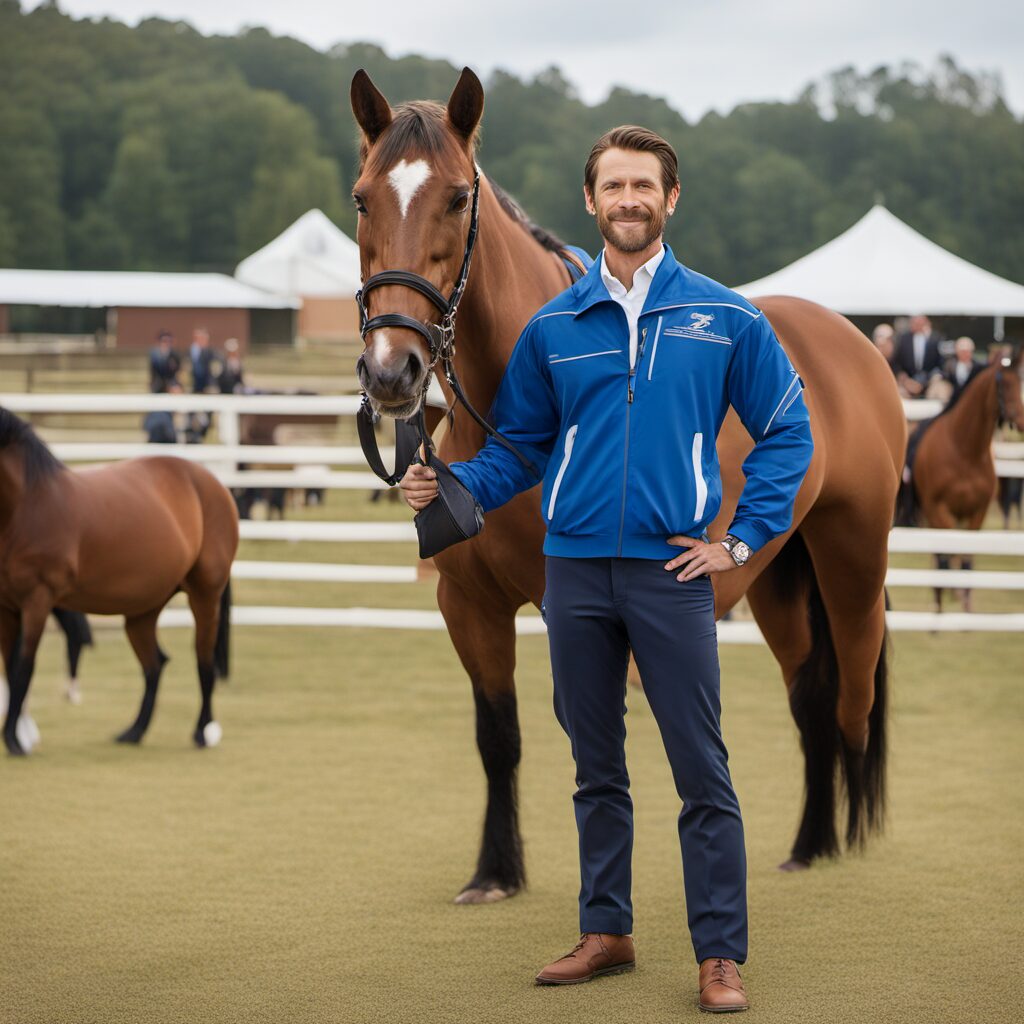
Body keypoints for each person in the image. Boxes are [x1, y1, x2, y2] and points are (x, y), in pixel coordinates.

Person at [401, 125, 814, 1014]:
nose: (629, 199)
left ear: (671, 199)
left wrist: (741, 541)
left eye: (644, 185)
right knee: (595, 767)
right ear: (589, 201)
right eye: (614, 186)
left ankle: (719, 954)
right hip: (576, 573)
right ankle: (606, 931)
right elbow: (519, 448)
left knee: (702, 770)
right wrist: (450, 482)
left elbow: (789, 430)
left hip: (674, 572)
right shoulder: (554, 327)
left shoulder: (726, 317)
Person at [893, 315, 944, 397]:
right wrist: (905, 379)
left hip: (930, 383)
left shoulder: (935, 338)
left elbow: (940, 363)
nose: (918, 325)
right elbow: (897, 362)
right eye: (915, 323)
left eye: (920, 323)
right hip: (908, 383)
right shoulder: (903, 339)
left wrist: (934, 378)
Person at [189, 327, 215, 393]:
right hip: (192, 383)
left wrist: (211, 384)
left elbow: (212, 370)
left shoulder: (210, 353)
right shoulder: (190, 351)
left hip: (206, 384)